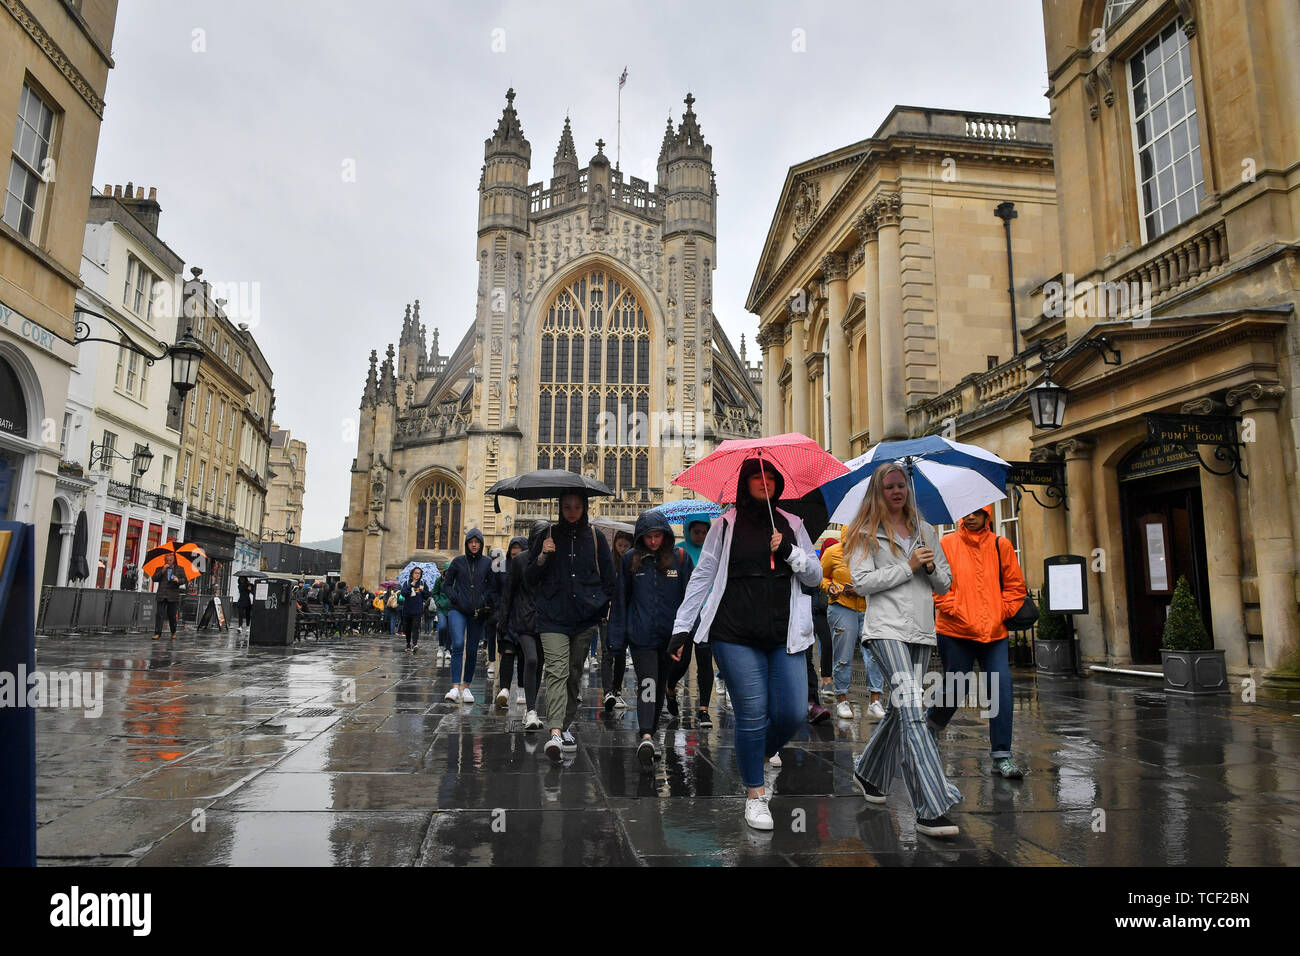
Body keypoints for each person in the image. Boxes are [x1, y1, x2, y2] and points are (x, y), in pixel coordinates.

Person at [669, 458, 822, 831]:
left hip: (784, 634)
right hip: (734, 633)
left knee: (792, 713)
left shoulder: (792, 524)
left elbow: (815, 576)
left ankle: (754, 752)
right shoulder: (725, 525)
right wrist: (681, 628)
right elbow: (704, 575)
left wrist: (788, 550)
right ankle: (755, 793)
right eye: (757, 476)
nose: (765, 481)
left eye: (771, 475)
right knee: (752, 712)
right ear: (744, 482)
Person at [845, 462, 961, 839]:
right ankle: (930, 806)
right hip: (885, 630)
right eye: (889, 487)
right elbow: (862, 584)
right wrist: (908, 566)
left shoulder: (925, 530)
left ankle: (868, 771)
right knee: (913, 712)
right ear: (878, 493)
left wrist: (927, 566)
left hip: (922, 631)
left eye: (901, 486)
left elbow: (944, 582)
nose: (896, 492)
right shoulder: (864, 532)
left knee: (899, 710)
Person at [929, 506, 1027, 779]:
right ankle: (931, 726)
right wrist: (955, 608)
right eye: (966, 512)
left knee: (1001, 690)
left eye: (976, 512)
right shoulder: (947, 543)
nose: (969, 516)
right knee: (956, 687)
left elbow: (1015, 588)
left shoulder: (1001, 545)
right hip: (955, 630)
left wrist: (1000, 612)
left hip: (994, 633)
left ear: (987, 516)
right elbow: (938, 585)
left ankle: (1001, 755)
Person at [526, 493, 616, 761]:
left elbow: (609, 578)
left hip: (584, 617)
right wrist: (543, 555)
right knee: (556, 672)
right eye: (567, 507)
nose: (572, 511)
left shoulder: (596, 537)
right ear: (560, 508)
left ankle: (564, 725)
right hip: (553, 617)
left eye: (577, 507)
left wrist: (600, 605)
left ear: (584, 508)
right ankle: (554, 732)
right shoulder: (547, 535)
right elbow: (530, 576)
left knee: (574, 674)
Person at [612, 510, 694, 768]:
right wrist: (618, 637)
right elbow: (621, 599)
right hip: (642, 635)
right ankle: (646, 734)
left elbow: (689, 600)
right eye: (648, 537)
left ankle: (652, 733)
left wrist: (684, 636)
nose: (654, 542)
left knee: (659, 684)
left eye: (658, 536)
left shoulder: (680, 559)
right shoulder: (630, 560)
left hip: (669, 637)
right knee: (647, 681)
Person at [822, 538, 887, 720]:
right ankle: (842, 699)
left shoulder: (875, 550)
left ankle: (875, 700)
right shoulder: (834, 551)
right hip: (842, 607)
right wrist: (830, 587)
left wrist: (865, 588)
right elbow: (820, 576)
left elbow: (884, 576)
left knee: (875, 654)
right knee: (843, 655)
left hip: (870, 606)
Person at [665, 518, 718, 727]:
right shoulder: (679, 551)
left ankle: (704, 708)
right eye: (696, 532)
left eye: (705, 532)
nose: (701, 536)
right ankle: (670, 686)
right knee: (682, 660)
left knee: (705, 660)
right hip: (687, 615)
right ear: (688, 531)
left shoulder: (712, 551)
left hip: (707, 614)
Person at [497, 522, 548, 728]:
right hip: (524, 619)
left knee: (540, 664)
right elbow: (509, 591)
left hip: (545, 621)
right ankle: (532, 709)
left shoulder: (553, 560)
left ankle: (530, 708)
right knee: (532, 660)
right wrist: (503, 621)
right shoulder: (520, 560)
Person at [442, 528, 497, 703]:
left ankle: (466, 686)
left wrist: (483, 598)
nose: (474, 545)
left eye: (477, 542)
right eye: (471, 542)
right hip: (458, 609)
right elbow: (447, 585)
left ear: (481, 544)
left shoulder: (488, 562)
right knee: (458, 644)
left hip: (477, 612)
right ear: (467, 544)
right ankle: (455, 687)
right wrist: (455, 597)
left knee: (472, 649)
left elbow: (492, 587)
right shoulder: (458, 561)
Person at [600, 530, 635, 711]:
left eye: (625, 546)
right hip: (608, 613)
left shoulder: (632, 563)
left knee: (620, 653)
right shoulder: (608, 563)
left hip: (625, 614)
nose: (621, 549)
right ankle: (608, 691)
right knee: (607, 652)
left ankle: (617, 689)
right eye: (619, 545)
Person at [493, 536, 529, 709]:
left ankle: (521, 688)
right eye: (513, 554)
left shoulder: (530, 569)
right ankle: (505, 689)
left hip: (524, 617)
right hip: (507, 616)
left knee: (522, 654)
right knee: (507, 651)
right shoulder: (501, 568)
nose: (515, 557)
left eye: (519, 554)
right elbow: (495, 590)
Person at [151, 552, 184, 641]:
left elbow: (184, 580)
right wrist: (162, 571)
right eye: (166, 560)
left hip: (173, 596)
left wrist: (178, 580)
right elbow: (154, 578)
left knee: (172, 615)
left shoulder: (179, 569)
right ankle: (157, 633)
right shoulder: (160, 568)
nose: (168, 562)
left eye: (170, 560)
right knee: (159, 614)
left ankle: (173, 632)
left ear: (173, 560)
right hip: (162, 595)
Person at [400, 567, 430, 652]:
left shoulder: (423, 583)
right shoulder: (407, 582)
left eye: (419, 573)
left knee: (415, 627)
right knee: (408, 628)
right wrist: (411, 586)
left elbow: (427, 595)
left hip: (417, 609)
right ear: (412, 574)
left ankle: (415, 644)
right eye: (415, 573)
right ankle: (408, 643)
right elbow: (403, 593)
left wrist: (423, 590)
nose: (417, 574)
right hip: (407, 609)